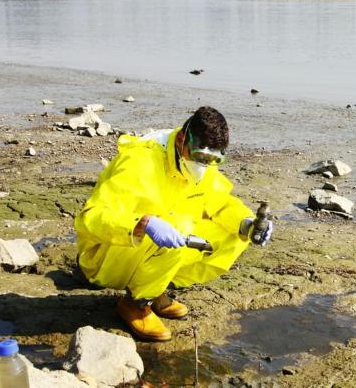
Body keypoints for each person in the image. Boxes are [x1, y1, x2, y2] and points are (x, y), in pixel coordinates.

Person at [75, 106, 272, 341]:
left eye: (213, 160)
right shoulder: (140, 161)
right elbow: (91, 217)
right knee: (179, 228)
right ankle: (135, 304)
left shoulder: (204, 167)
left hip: (157, 249)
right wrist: (142, 224)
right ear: (181, 139)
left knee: (233, 235)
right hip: (107, 255)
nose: (204, 165)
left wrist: (246, 224)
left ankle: (155, 289)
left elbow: (220, 204)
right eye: (200, 157)